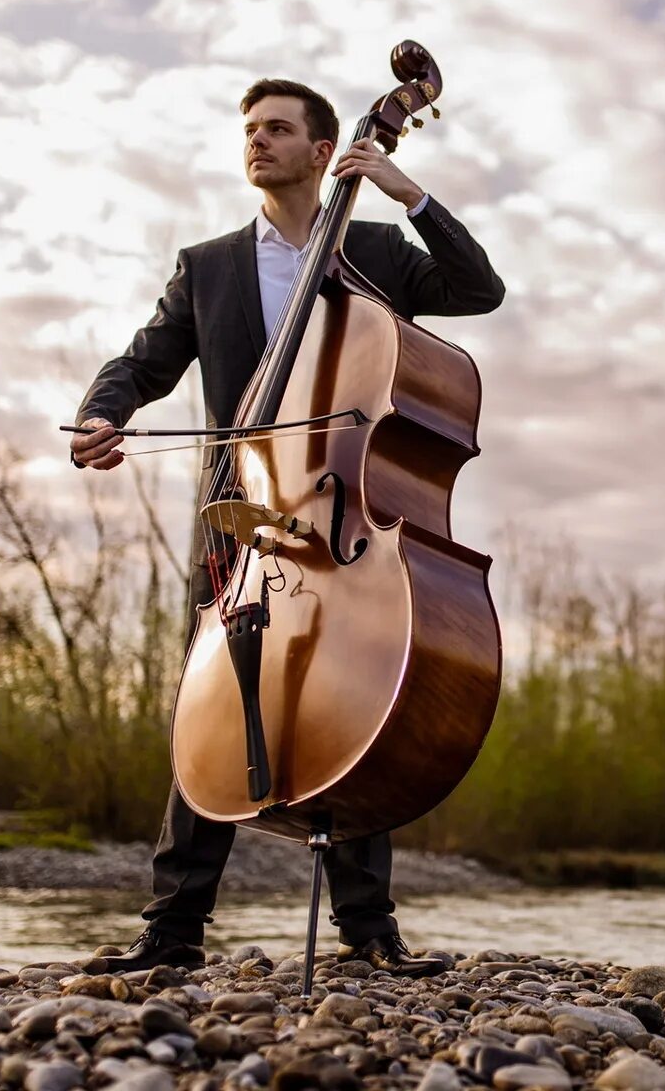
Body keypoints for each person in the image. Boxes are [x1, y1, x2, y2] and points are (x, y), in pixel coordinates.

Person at [69, 77, 506, 976]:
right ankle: (172, 930)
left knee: (359, 698)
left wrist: (406, 191)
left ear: (321, 151)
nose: (258, 143)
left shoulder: (377, 248)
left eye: (277, 130)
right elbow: (143, 360)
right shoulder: (211, 264)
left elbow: (479, 290)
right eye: (250, 131)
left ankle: (369, 932)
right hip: (239, 518)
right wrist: (100, 412)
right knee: (214, 704)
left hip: (344, 517)